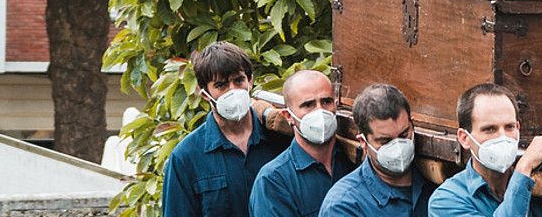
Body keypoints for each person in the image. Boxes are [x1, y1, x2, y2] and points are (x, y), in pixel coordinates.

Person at [429, 82, 542, 216]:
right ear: (464, 138)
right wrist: (524, 168)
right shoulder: (446, 200)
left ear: (518, 127)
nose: (503, 137)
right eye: (490, 129)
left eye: (509, 127)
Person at [163, 42, 289, 217]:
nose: (233, 91)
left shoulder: (281, 138)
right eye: (221, 85)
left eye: (239, 80)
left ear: (250, 81)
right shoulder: (186, 157)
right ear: (205, 94)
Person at [320, 83, 434, 217]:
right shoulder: (343, 206)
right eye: (385, 141)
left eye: (404, 135)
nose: (398, 147)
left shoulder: (434, 183)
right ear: (363, 142)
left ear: (412, 125)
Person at [249, 70, 354, 216]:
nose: (320, 111)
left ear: (336, 105)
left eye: (326, 101)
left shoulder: (352, 161)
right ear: (288, 116)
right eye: (308, 104)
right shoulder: (274, 181)